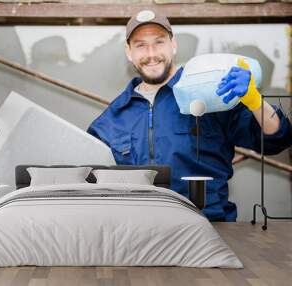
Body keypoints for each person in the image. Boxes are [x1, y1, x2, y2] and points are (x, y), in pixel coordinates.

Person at [87, 10, 292, 221]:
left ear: (173, 44)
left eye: (159, 42)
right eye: (140, 45)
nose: (151, 53)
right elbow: (93, 187)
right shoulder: (110, 121)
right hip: (139, 233)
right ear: (129, 52)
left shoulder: (211, 93)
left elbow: (276, 140)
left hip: (210, 229)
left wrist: (255, 102)